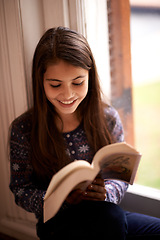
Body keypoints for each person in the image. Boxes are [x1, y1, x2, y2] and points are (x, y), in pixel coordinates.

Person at [9, 27, 160, 239]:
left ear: (90, 76)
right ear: (40, 81)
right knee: (109, 222)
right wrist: (58, 199)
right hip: (57, 224)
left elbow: (121, 177)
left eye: (78, 82)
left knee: (117, 220)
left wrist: (107, 193)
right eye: (55, 85)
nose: (68, 94)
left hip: (106, 213)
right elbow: (20, 189)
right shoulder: (24, 129)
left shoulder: (107, 117)